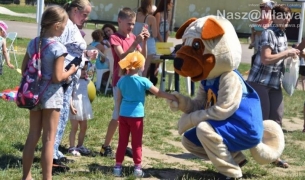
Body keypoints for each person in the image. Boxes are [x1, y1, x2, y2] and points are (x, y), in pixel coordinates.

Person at [21, 5, 78, 180]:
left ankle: (27, 176)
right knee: (48, 139)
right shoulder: (58, 48)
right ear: (56, 25)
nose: (65, 28)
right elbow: (57, 77)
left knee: (33, 135)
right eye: (64, 25)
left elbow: (24, 69)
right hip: (52, 97)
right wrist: (72, 70)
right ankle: (47, 178)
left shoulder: (33, 43)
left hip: (34, 94)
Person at [247, 4, 300, 168]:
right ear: (274, 17)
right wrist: (287, 53)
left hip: (275, 83)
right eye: (282, 16)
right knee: (262, 121)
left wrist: (295, 53)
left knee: (276, 120)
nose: (286, 19)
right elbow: (266, 58)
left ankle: (275, 155)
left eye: (288, 16)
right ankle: (256, 152)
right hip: (260, 82)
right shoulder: (268, 33)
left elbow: (281, 56)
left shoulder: (282, 35)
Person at [113, 51, 177, 177]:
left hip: (123, 115)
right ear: (139, 66)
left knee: (122, 142)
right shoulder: (143, 81)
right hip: (136, 117)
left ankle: (117, 167)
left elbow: (118, 99)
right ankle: (137, 168)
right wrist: (172, 96)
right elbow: (158, 93)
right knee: (136, 143)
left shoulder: (122, 80)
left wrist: (118, 112)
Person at [52, 0, 97, 171]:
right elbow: (58, 49)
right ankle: (52, 156)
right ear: (75, 10)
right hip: (63, 78)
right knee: (59, 117)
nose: (85, 18)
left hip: (69, 79)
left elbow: (71, 51)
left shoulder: (72, 26)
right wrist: (65, 72)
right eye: (84, 14)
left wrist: (85, 54)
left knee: (62, 117)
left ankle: (55, 151)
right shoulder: (66, 26)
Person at [100, 7, 149, 157]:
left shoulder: (133, 37)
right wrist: (135, 44)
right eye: (128, 23)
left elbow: (143, 59)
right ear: (119, 21)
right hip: (120, 81)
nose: (131, 27)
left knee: (129, 116)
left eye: (133, 24)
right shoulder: (115, 38)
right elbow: (122, 58)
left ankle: (123, 145)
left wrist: (144, 42)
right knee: (118, 115)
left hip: (133, 81)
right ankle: (105, 146)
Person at [68, 61, 93, 156]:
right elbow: (69, 94)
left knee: (84, 127)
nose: (84, 71)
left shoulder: (87, 81)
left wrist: (92, 58)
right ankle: (71, 147)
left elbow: (92, 69)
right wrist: (71, 105)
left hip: (84, 105)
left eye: (86, 69)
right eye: (82, 69)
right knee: (74, 127)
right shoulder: (74, 81)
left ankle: (80, 145)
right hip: (75, 105)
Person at [149, 0, 173, 85]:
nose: (172, 5)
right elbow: (157, 31)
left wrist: (165, 42)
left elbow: (167, 29)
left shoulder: (168, 14)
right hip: (156, 40)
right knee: (154, 62)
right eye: (171, 3)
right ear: (166, 4)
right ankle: (151, 79)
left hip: (163, 40)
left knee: (160, 61)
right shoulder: (158, 14)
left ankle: (155, 78)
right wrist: (162, 42)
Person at [133, 0, 158, 77]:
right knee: (145, 68)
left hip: (136, 43)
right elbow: (155, 34)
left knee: (135, 67)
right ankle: (142, 86)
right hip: (148, 44)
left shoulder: (135, 15)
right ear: (150, 5)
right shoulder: (151, 18)